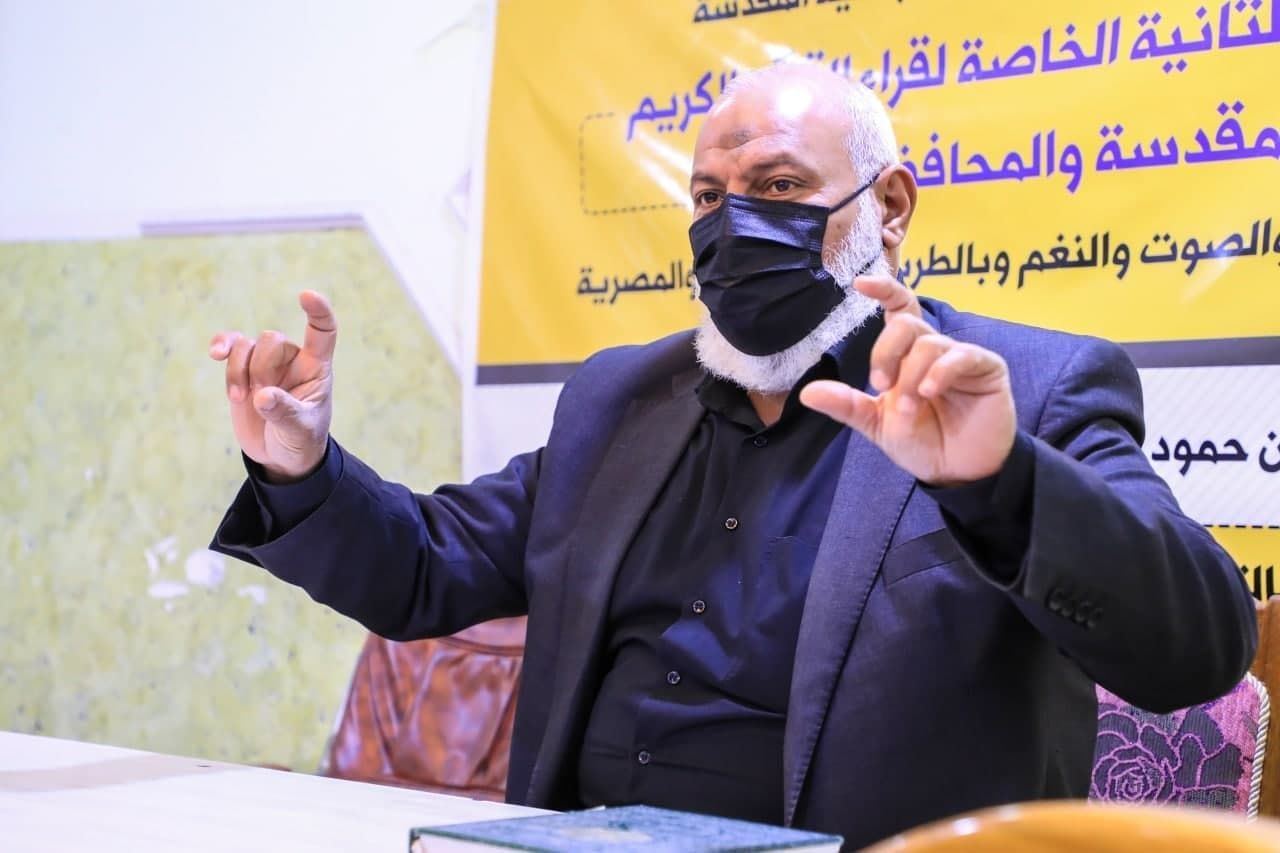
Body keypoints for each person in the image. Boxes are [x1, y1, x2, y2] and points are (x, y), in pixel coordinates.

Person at [207, 63, 1257, 849]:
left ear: (887, 208)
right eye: (709, 196)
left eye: (779, 185)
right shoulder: (620, 398)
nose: (733, 223)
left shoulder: (1022, 388)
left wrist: (1000, 483)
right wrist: (302, 465)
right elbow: (427, 567)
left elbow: (1198, 650)